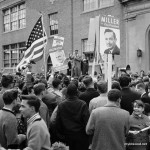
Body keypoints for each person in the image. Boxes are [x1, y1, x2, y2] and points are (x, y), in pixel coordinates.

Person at [55, 83, 90, 150]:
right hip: (80, 136)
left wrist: (60, 135)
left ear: (67, 93)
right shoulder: (82, 104)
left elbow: (58, 122)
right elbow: (86, 120)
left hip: (66, 136)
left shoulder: (61, 105)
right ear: (77, 92)